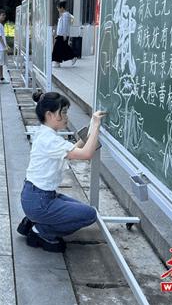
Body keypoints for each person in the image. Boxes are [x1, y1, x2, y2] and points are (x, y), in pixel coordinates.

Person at [17, 92, 106, 252]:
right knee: (89, 215)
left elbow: (75, 149)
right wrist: (97, 126)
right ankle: (41, 231)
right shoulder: (49, 140)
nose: (66, 117)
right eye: (63, 112)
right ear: (49, 115)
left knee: (81, 209)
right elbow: (85, 154)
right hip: (40, 201)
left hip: (38, 196)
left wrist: (92, 126)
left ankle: (34, 220)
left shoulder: (45, 133)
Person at [52, 1, 77, 67]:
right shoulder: (64, 15)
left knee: (58, 48)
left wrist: (65, 35)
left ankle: (72, 57)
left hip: (63, 35)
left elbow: (65, 25)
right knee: (62, 48)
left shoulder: (66, 15)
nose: (58, 10)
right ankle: (58, 62)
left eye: (58, 8)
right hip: (61, 34)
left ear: (62, 8)